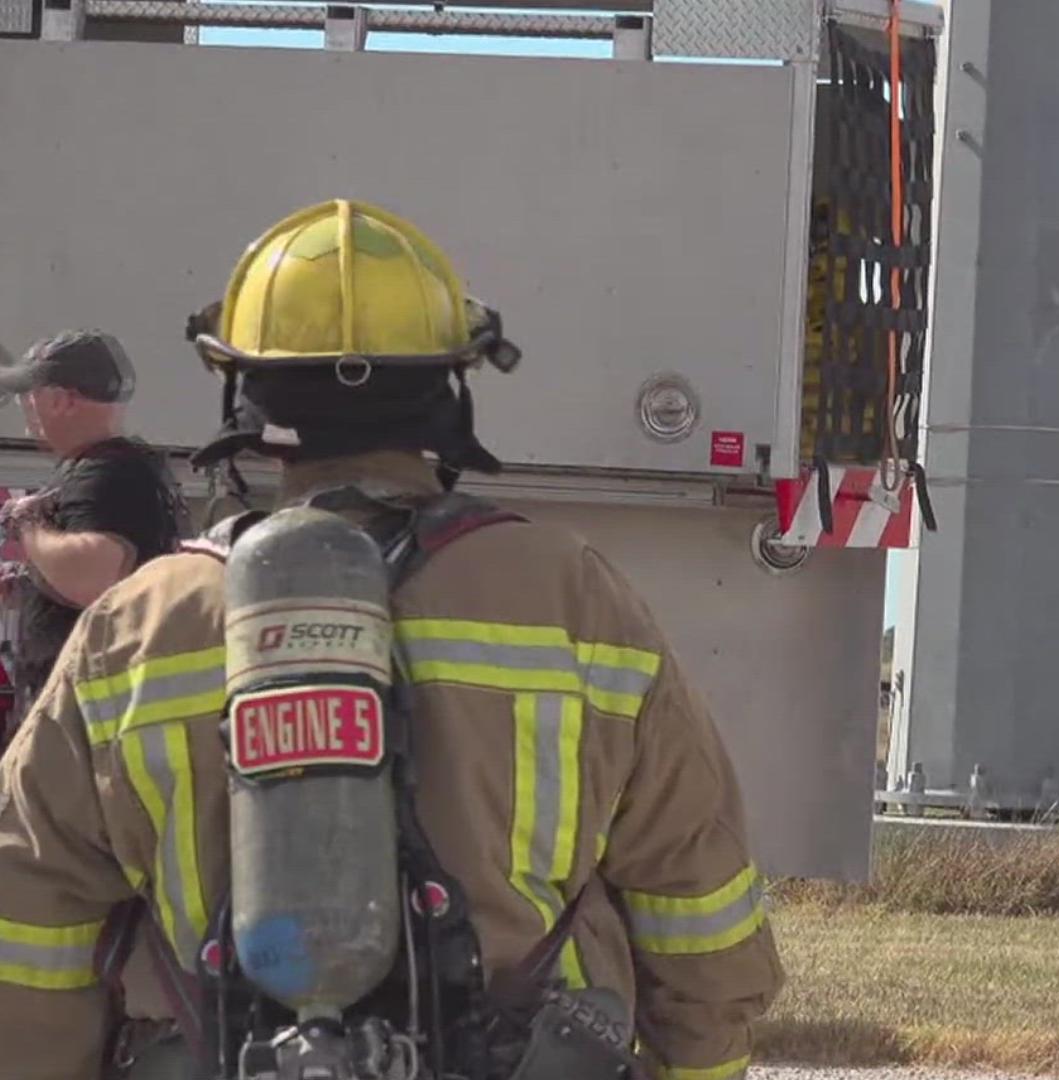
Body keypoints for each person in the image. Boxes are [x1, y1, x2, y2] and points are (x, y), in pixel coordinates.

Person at [0, 199, 784, 1079]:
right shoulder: (571, 599)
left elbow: (29, 912)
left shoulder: (137, 625)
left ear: (244, 392)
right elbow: (695, 893)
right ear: (451, 384)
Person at [0, 329, 188, 710]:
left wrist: (28, 524)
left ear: (62, 399)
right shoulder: (120, 468)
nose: (24, 404)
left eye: (29, 392)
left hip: (89, 707)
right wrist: (28, 582)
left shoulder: (107, 472)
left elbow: (92, 575)